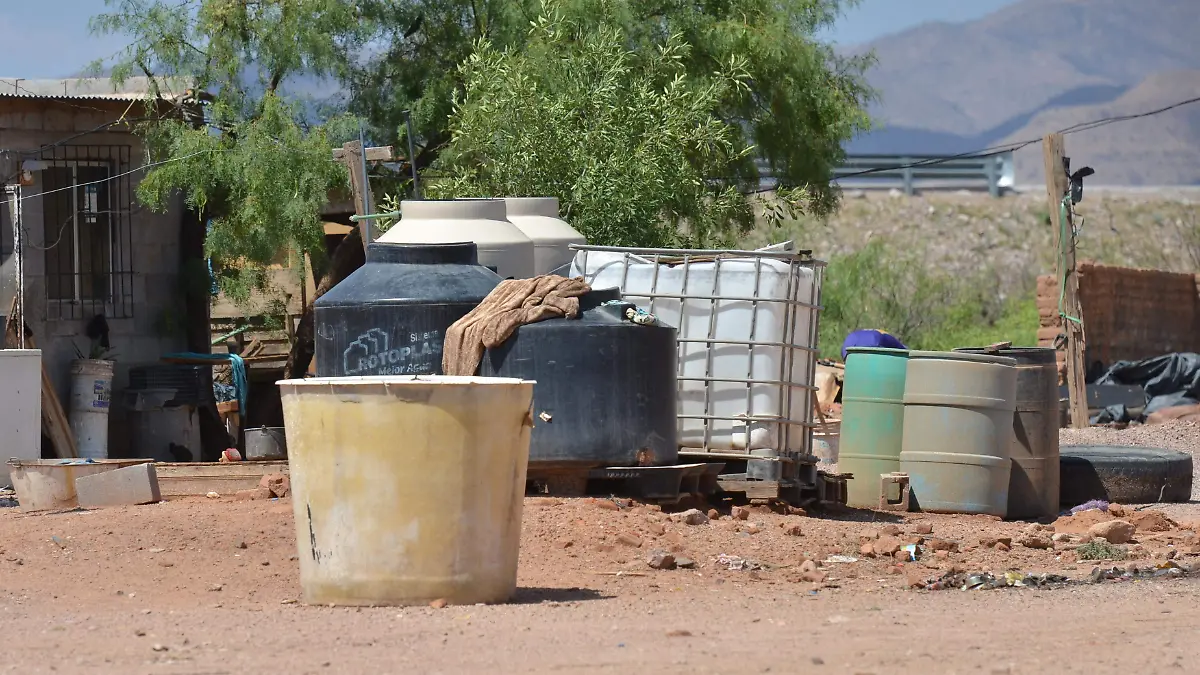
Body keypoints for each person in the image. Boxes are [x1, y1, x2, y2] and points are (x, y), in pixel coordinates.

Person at [841, 328, 907, 361]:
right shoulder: (881, 334)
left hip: (848, 344)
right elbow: (900, 348)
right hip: (874, 341)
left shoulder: (853, 335)